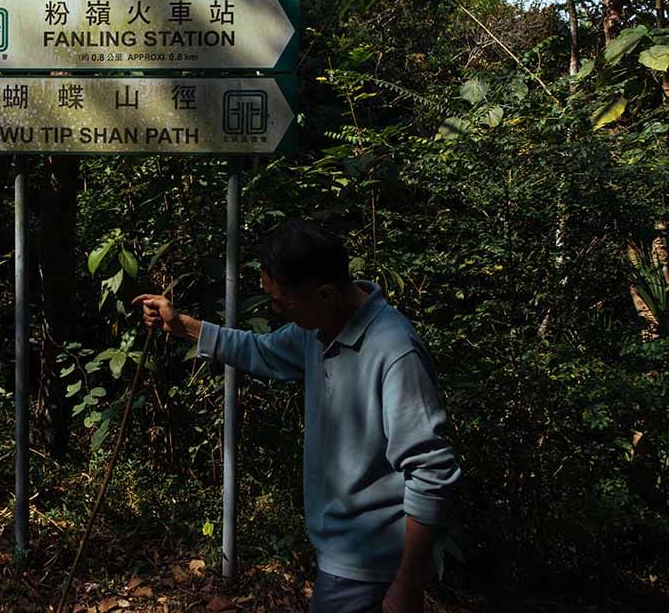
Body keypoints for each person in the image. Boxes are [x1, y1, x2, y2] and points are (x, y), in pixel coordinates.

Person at [132, 220, 460, 613]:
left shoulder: (394, 351)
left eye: (280, 302)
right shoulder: (320, 329)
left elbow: (432, 472)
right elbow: (262, 351)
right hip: (343, 554)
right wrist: (182, 325)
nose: (274, 310)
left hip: (370, 563)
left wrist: (407, 584)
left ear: (325, 292)